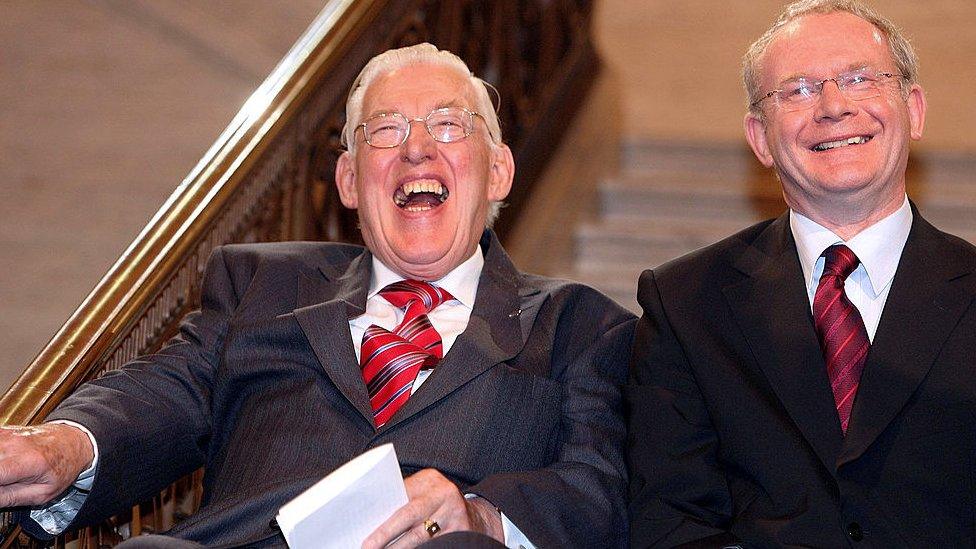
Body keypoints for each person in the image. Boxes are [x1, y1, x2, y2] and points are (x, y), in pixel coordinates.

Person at [0, 43, 635, 548]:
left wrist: (479, 516)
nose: (417, 147)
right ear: (349, 180)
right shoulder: (262, 286)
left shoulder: (581, 326)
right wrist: (64, 446)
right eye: (384, 131)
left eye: (447, 125)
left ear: (498, 169)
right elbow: (165, 391)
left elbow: (598, 490)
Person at [627, 1, 976, 546]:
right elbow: (670, 518)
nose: (834, 106)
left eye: (860, 79)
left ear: (914, 110)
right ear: (761, 138)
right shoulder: (683, 303)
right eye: (798, 90)